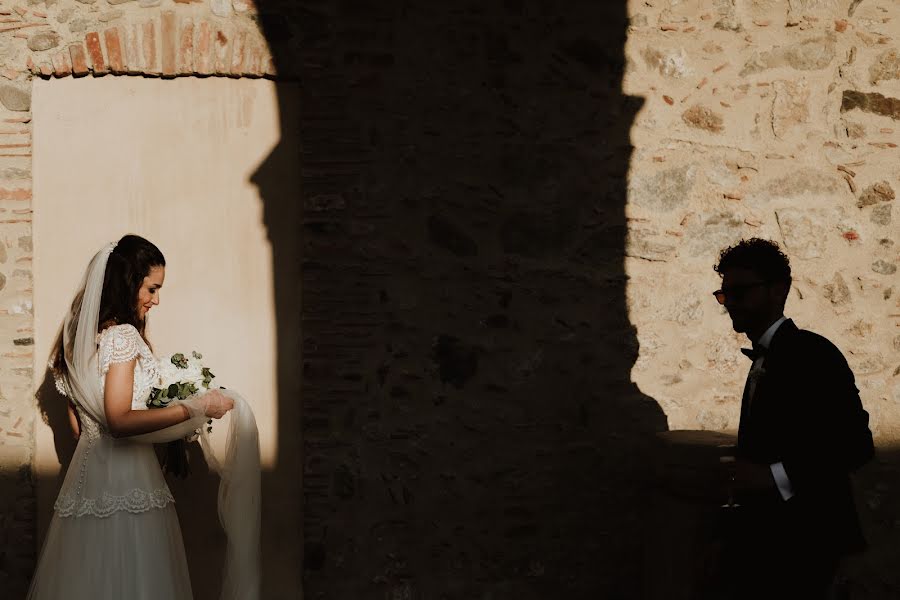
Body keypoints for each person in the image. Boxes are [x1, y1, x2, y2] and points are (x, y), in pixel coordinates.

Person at [26, 235, 236, 600]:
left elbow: (79, 429)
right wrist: (194, 407)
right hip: (128, 481)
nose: (156, 299)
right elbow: (119, 421)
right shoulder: (122, 337)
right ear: (129, 282)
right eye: (152, 288)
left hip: (85, 482)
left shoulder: (77, 340)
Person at [712, 238, 874, 600]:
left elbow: (856, 445)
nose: (730, 304)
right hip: (764, 548)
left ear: (778, 290)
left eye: (740, 292)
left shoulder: (814, 354)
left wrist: (773, 475)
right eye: (725, 295)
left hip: (807, 547)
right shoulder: (765, 358)